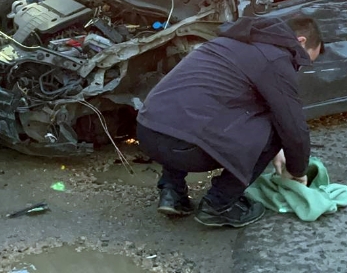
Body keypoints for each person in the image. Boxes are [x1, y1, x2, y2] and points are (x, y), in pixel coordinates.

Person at [136, 16, 324, 228]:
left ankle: (172, 192)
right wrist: (297, 171)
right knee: (277, 127)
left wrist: (277, 155)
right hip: (186, 148)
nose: (298, 67)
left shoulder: (228, 42)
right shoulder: (275, 58)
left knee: (185, 115)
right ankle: (219, 205)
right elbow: (293, 128)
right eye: (303, 60)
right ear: (300, 41)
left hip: (147, 129)